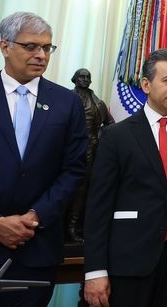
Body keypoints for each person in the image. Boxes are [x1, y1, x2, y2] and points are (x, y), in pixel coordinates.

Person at [0, 11, 87, 307]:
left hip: (34, 252)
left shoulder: (67, 103)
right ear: (5, 46)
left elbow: (73, 170)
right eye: (31, 46)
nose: (41, 55)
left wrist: (34, 218)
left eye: (47, 48)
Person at [82, 49, 167, 307]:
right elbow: (98, 207)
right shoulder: (116, 136)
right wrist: (95, 271)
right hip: (128, 258)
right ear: (146, 84)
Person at [65, 68, 114, 242]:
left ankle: (75, 227)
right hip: (69, 150)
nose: (85, 80)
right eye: (81, 77)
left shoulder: (98, 102)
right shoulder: (66, 98)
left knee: (85, 189)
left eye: (87, 77)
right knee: (67, 187)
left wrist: (99, 136)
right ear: (75, 79)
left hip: (92, 150)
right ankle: (65, 227)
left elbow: (110, 124)